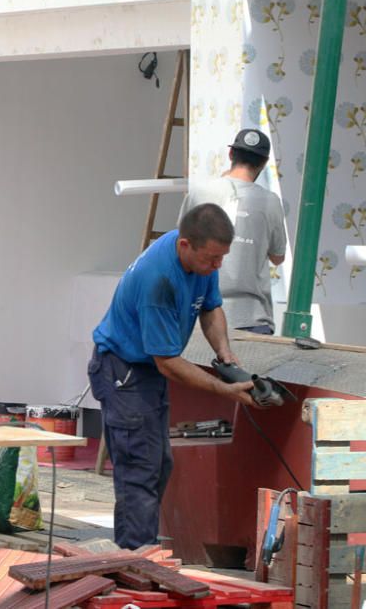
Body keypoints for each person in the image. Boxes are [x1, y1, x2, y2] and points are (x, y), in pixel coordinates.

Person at [89, 203, 256, 549]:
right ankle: (137, 561)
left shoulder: (201, 258)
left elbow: (210, 308)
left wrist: (224, 353)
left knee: (158, 463)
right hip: (124, 371)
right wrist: (223, 390)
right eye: (212, 258)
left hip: (145, 371)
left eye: (222, 257)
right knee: (141, 468)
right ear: (185, 245)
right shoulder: (159, 280)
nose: (217, 266)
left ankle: (135, 551)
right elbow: (167, 361)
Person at [179, 128, 286, 335]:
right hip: (252, 317)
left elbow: (179, 244)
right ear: (263, 163)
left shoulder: (200, 193)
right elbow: (278, 257)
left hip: (200, 315)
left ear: (231, 154)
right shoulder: (271, 202)